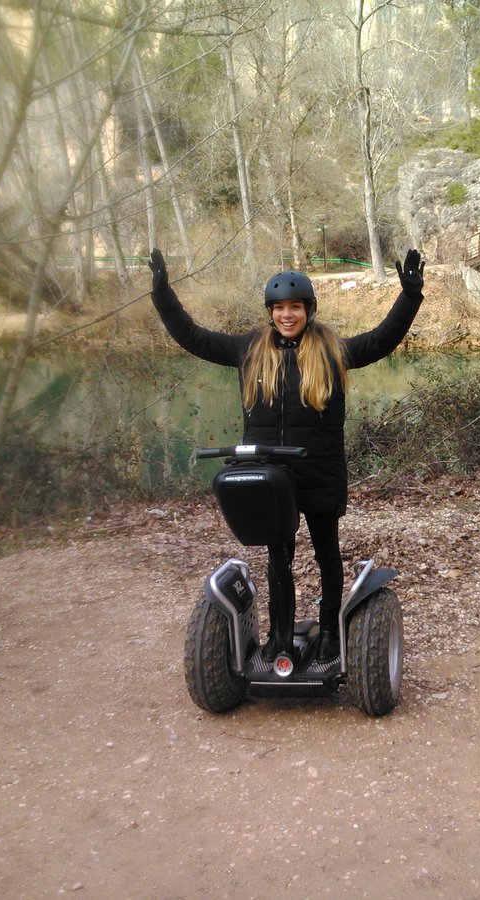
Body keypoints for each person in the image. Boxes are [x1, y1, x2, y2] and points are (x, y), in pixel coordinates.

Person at [148, 248, 425, 666]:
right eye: (279, 308)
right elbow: (193, 337)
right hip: (269, 473)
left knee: (326, 554)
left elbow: (381, 340)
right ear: (270, 312)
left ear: (308, 310)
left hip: (318, 469)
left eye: (295, 307)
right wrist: (162, 294)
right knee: (278, 559)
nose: (287, 315)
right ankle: (279, 637)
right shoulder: (249, 349)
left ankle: (329, 632)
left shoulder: (330, 350)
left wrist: (409, 295)